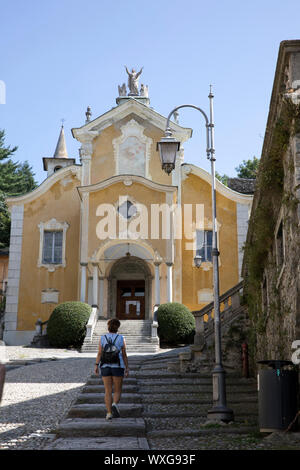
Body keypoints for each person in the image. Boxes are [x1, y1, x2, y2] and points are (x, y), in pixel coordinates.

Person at [94, 318, 129, 421]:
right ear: (118, 327)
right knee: (118, 390)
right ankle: (114, 404)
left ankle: (109, 413)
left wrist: (96, 365)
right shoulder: (121, 338)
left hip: (105, 366)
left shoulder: (103, 338)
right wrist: (127, 367)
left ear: (108, 326)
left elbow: (100, 353)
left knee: (108, 391)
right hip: (118, 366)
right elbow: (124, 354)